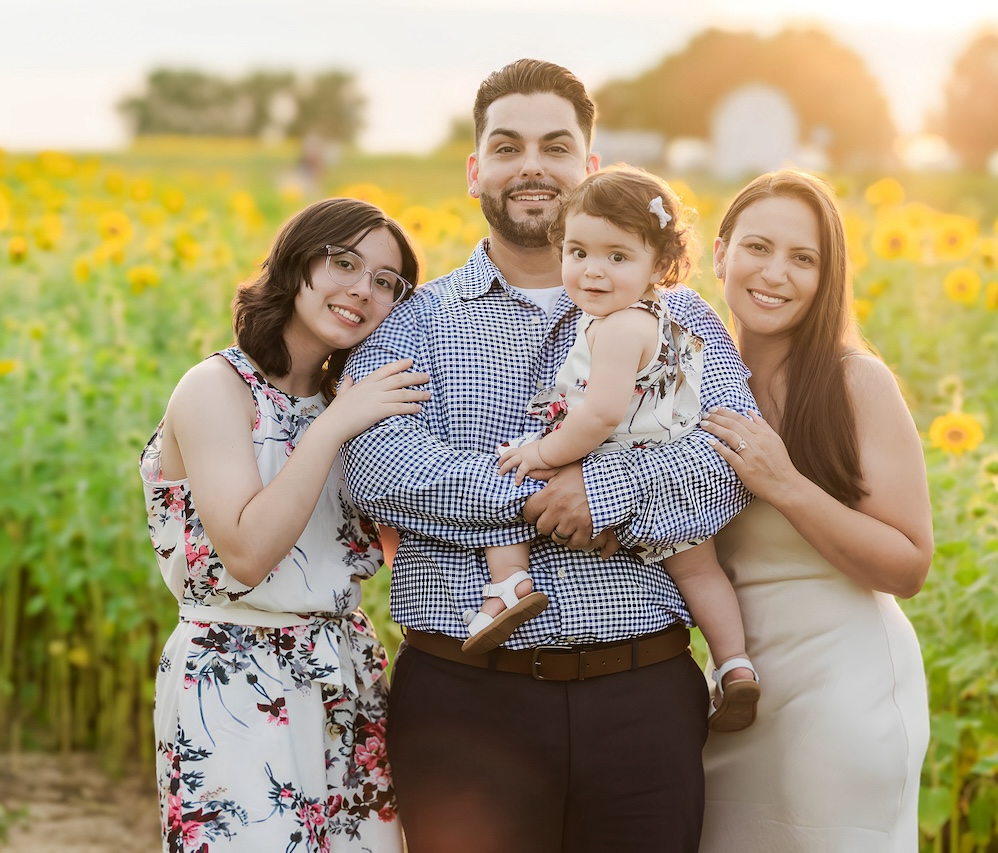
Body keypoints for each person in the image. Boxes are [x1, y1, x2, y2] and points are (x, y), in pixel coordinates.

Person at [342, 59, 755, 852]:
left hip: (640, 694)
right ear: (475, 171)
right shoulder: (415, 321)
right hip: (465, 703)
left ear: (590, 168)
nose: (531, 165)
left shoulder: (680, 314)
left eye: (555, 146)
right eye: (507, 146)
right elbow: (379, 466)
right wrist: (545, 498)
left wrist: (602, 490)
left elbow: (733, 453)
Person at [140, 198, 430, 852]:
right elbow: (247, 552)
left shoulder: (353, 402)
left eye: (386, 281)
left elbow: (400, 544)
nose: (363, 289)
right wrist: (337, 425)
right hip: (236, 675)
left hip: (346, 675)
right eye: (345, 262)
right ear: (297, 263)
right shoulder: (217, 388)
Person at [473, 165, 760, 732]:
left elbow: (601, 414)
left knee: (511, 475)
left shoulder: (618, 328)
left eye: (617, 257)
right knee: (700, 573)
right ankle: (734, 664)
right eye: (577, 252)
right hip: (662, 459)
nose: (593, 271)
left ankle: (508, 585)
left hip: (614, 449)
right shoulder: (655, 316)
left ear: (659, 266)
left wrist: (545, 453)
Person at [697, 169, 932, 852]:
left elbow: (909, 563)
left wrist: (786, 483)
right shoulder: (686, 380)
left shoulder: (855, 381)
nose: (776, 273)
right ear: (720, 254)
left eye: (804, 259)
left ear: (828, 277)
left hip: (843, 688)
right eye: (759, 247)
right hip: (735, 690)